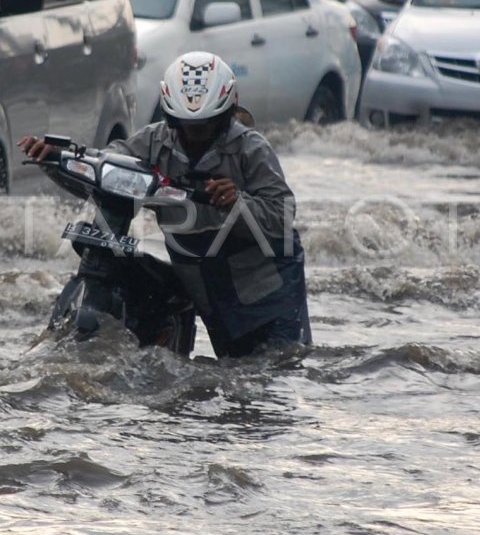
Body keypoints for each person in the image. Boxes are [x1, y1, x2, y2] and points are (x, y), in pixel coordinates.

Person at [20, 50, 311, 359]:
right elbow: (106, 166)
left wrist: (238, 203)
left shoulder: (251, 149)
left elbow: (282, 215)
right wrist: (52, 159)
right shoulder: (153, 142)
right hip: (202, 277)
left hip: (264, 290)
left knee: (270, 373)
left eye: (206, 125)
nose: (196, 135)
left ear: (225, 116)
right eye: (187, 125)